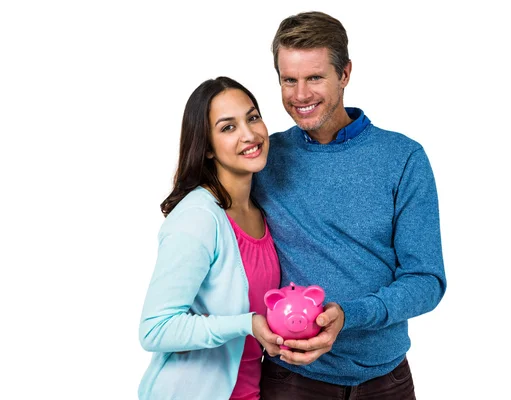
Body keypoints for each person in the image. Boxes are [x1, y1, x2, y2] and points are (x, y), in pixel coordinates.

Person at [252, 11, 447, 399]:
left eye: (315, 78)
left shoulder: (403, 158)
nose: (300, 95)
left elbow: (427, 280)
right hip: (291, 379)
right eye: (289, 80)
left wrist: (350, 315)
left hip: (385, 380)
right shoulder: (264, 157)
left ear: (345, 74)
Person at [138, 76, 284, 400]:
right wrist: (246, 324)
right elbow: (155, 329)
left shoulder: (261, 210)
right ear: (206, 148)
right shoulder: (199, 218)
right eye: (228, 127)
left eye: (253, 117)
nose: (249, 134)